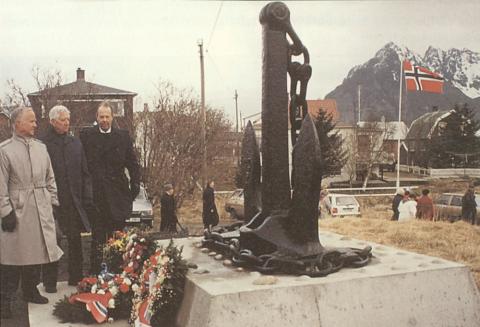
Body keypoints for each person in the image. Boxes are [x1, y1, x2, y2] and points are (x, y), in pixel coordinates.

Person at [0, 107, 63, 318]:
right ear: (18, 124)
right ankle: (5, 298)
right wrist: (5, 212)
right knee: (12, 257)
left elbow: (50, 178)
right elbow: (0, 185)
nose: (36, 124)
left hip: (41, 207)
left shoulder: (41, 148)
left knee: (37, 253)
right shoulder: (4, 150)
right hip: (17, 210)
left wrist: (52, 202)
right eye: (31, 121)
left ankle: (30, 290)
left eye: (36, 121)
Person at [80, 101, 140, 274]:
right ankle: (95, 274)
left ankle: (118, 273)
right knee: (98, 238)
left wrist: (134, 185)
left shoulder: (122, 136)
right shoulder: (87, 136)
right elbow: (82, 166)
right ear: (96, 117)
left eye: (107, 117)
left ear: (112, 117)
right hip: (97, 198)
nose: (104, 120)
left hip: (117, 196)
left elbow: (132, 163)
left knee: (118, 237)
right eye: (101, 117)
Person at [40, 105, 93, 292]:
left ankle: (76, 277)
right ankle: (49, 282)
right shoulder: (42, 144)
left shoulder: (75, 143)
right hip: (52, 202)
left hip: (73, 202)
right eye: (63, 120)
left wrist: (87, 197)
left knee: (75, 240)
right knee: (52, 241)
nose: (67, 123)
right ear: (52, 121)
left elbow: (84, 172)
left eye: (68, 120)